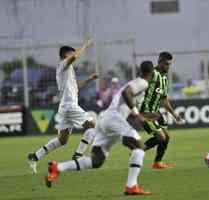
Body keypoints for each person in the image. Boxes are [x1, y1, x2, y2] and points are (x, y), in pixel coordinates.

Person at [45, 61, 156, 195]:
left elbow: (128, 110)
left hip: (106, 120)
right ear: (151, 73)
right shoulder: (143, 82)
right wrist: (138, 114)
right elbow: (126, 93)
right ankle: (131, 186)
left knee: (96, 161)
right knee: (139, 147)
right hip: (113, 118)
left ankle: (58, 167)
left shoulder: (139, 87)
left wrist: (148, 116)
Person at [27, 39, 98, 174]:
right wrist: (85, 46)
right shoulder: (62, 65)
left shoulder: (68, 70)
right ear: (66, 55)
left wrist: (90, 79)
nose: (74, 55)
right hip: (69, 105)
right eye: (71, 53)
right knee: (92, 125)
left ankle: (34, 156)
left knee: (62, 140)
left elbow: (75, 88)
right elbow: (76, 56)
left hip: (66, 106)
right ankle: (78, 156)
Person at [141, 52, 183, 169]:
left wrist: (175, 115)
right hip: (146, 112)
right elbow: (138, 85)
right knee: (161, 137)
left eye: (169, 64)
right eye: (165, 64)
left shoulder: (164, 78)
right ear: (159, 62)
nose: (167, 67)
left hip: (156, 112)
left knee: (166, 137)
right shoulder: (151, 73)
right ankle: (137, 150)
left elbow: (164, 100)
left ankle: (157, 163)